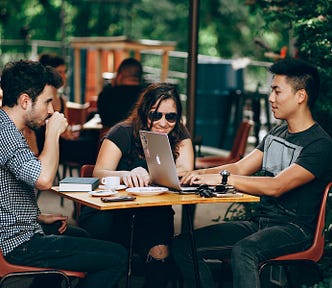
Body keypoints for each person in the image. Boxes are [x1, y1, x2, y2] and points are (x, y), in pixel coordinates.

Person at [173, 58, 332, 288]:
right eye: (271, 91)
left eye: (277, 91)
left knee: (244, 251)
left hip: (295, 229)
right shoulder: (277, 133)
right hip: (259, 223)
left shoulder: (320, 145)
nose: (271, 98)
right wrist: (194, 174)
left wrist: (221, 178)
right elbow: (239, 167)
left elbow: (277, 186)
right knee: (183, 246)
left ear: (301, 96)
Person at [0, 60, 127, 288]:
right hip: (17, 243)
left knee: (86, 238)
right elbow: (44, 180)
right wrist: (52, 134)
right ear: (25, 101)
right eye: (48, 101)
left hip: (19, 231)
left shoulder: (8, 129)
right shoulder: (6, 133)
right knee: (117, 257)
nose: (51, 110)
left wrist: (36, 216)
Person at [79, 82, 195, 287]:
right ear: (144, 113)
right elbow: (98, 173)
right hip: (111, 210)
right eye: (155, 115)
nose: (163, 122)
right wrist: (127, 174)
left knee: (161, 250)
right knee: (115, 253)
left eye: (171, 116)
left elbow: (185, 170)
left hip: (151, 211)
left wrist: (151, 175)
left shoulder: (178, 134)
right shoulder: (122, 132)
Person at [97, 57, 144, 129]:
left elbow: (104, 122)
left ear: (119, 76)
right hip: (137, 138)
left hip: (109, 137)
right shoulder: (146, 96)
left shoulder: (106, 94)